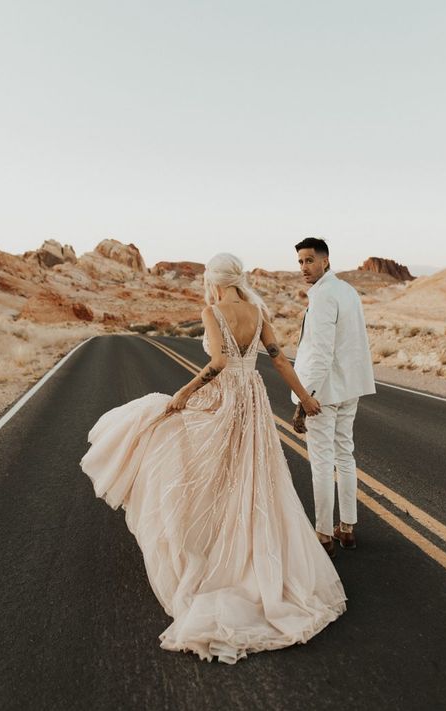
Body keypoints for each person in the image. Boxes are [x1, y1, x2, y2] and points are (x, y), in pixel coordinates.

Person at [80, 252, 346, 664]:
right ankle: (249, 554)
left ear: (215, 281)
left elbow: (219, 362)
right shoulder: (257, 311)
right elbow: (277, 358)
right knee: (250, 475)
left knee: (178, 442)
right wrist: (306, 397)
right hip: (253, 399)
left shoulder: (212, 310)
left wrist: (184, 394)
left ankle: (209, 551)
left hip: (225, 397)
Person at [291, 238, 376, 558]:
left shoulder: (325, 295)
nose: (304, 267)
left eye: (309, 260)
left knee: (323, 463)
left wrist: (305, 397)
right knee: (345, 455)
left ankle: (324, 533)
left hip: (323, 392)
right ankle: (348, 529)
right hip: (349, 387)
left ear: (325, 261)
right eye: (300, 261)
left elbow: (322, 352)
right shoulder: (347, 290)